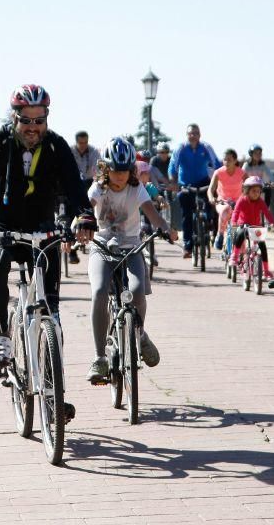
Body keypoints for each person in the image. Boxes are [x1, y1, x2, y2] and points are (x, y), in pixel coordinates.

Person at [0, 84, 96, 419]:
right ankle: (2, 336)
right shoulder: (1, 140)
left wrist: (84, 215)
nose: (32, 127)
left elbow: (76, 187)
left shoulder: (57, 146)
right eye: (26, 120)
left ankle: (53, 391)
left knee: (52, 316)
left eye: (39, 120)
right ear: (14, 117)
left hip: (42, 226)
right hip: (2, 222)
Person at [85, 138, 177, 383]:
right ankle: (99, 358)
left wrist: (166, 228)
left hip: (131, 248)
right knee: (99, 292)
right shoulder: (98, 189)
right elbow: (85, 209)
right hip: (102, 248)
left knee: (137, 291)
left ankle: (140, 335)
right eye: (115, 170)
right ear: (106, 169)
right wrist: (77, 222)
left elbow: (152, 214)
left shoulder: (137, 189)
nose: (120, 176)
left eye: (125, 171)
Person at [169, 124, 222, 258]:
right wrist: (174, 183)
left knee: (211, 200)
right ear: (187, 135)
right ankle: (187, 247)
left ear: (200, 135)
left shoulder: (206, 147)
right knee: (187, 215)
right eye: (190, 133)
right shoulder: (181, 148)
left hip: (203, 182)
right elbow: (172, 167)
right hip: (185, 184)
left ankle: (209, 224)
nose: (193, 136)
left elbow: (217, 164)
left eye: (196, 133)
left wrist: (219, 181)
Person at [230, 176, 274, 279]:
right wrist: (234, 221)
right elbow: (236, 212)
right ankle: (234, 256)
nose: (257, 193)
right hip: (244, 225)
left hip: (256, 227)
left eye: (259, 191)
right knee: (240, 234)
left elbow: (267, 212)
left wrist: (273, 222)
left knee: (263, 247)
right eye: (254, 191)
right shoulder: (242, 200)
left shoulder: (260, 201)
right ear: (247, 190)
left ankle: (266, 271)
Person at [69, 131, 100, 264]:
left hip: (88, 181)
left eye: (85, 143)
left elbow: (98, 168)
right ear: (76, 142)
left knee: (90, 206)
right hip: (74, 182)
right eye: (80, 143)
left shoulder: (93, 151)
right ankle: (71, 250)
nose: (83, 146)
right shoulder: (69, 151)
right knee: (71, 209)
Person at [208, 149, 246, 250]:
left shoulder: (241, 173)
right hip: (222, 201)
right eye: (224, 160)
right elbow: (210, 189)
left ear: (235, 160)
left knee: (239, 227)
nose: (226, 162)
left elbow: (250, 185)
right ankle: (220, 235)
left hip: (238, 202)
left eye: (229, 160)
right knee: (225, 210)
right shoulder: (218, 172)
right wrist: (211, 198)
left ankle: (240, 252)